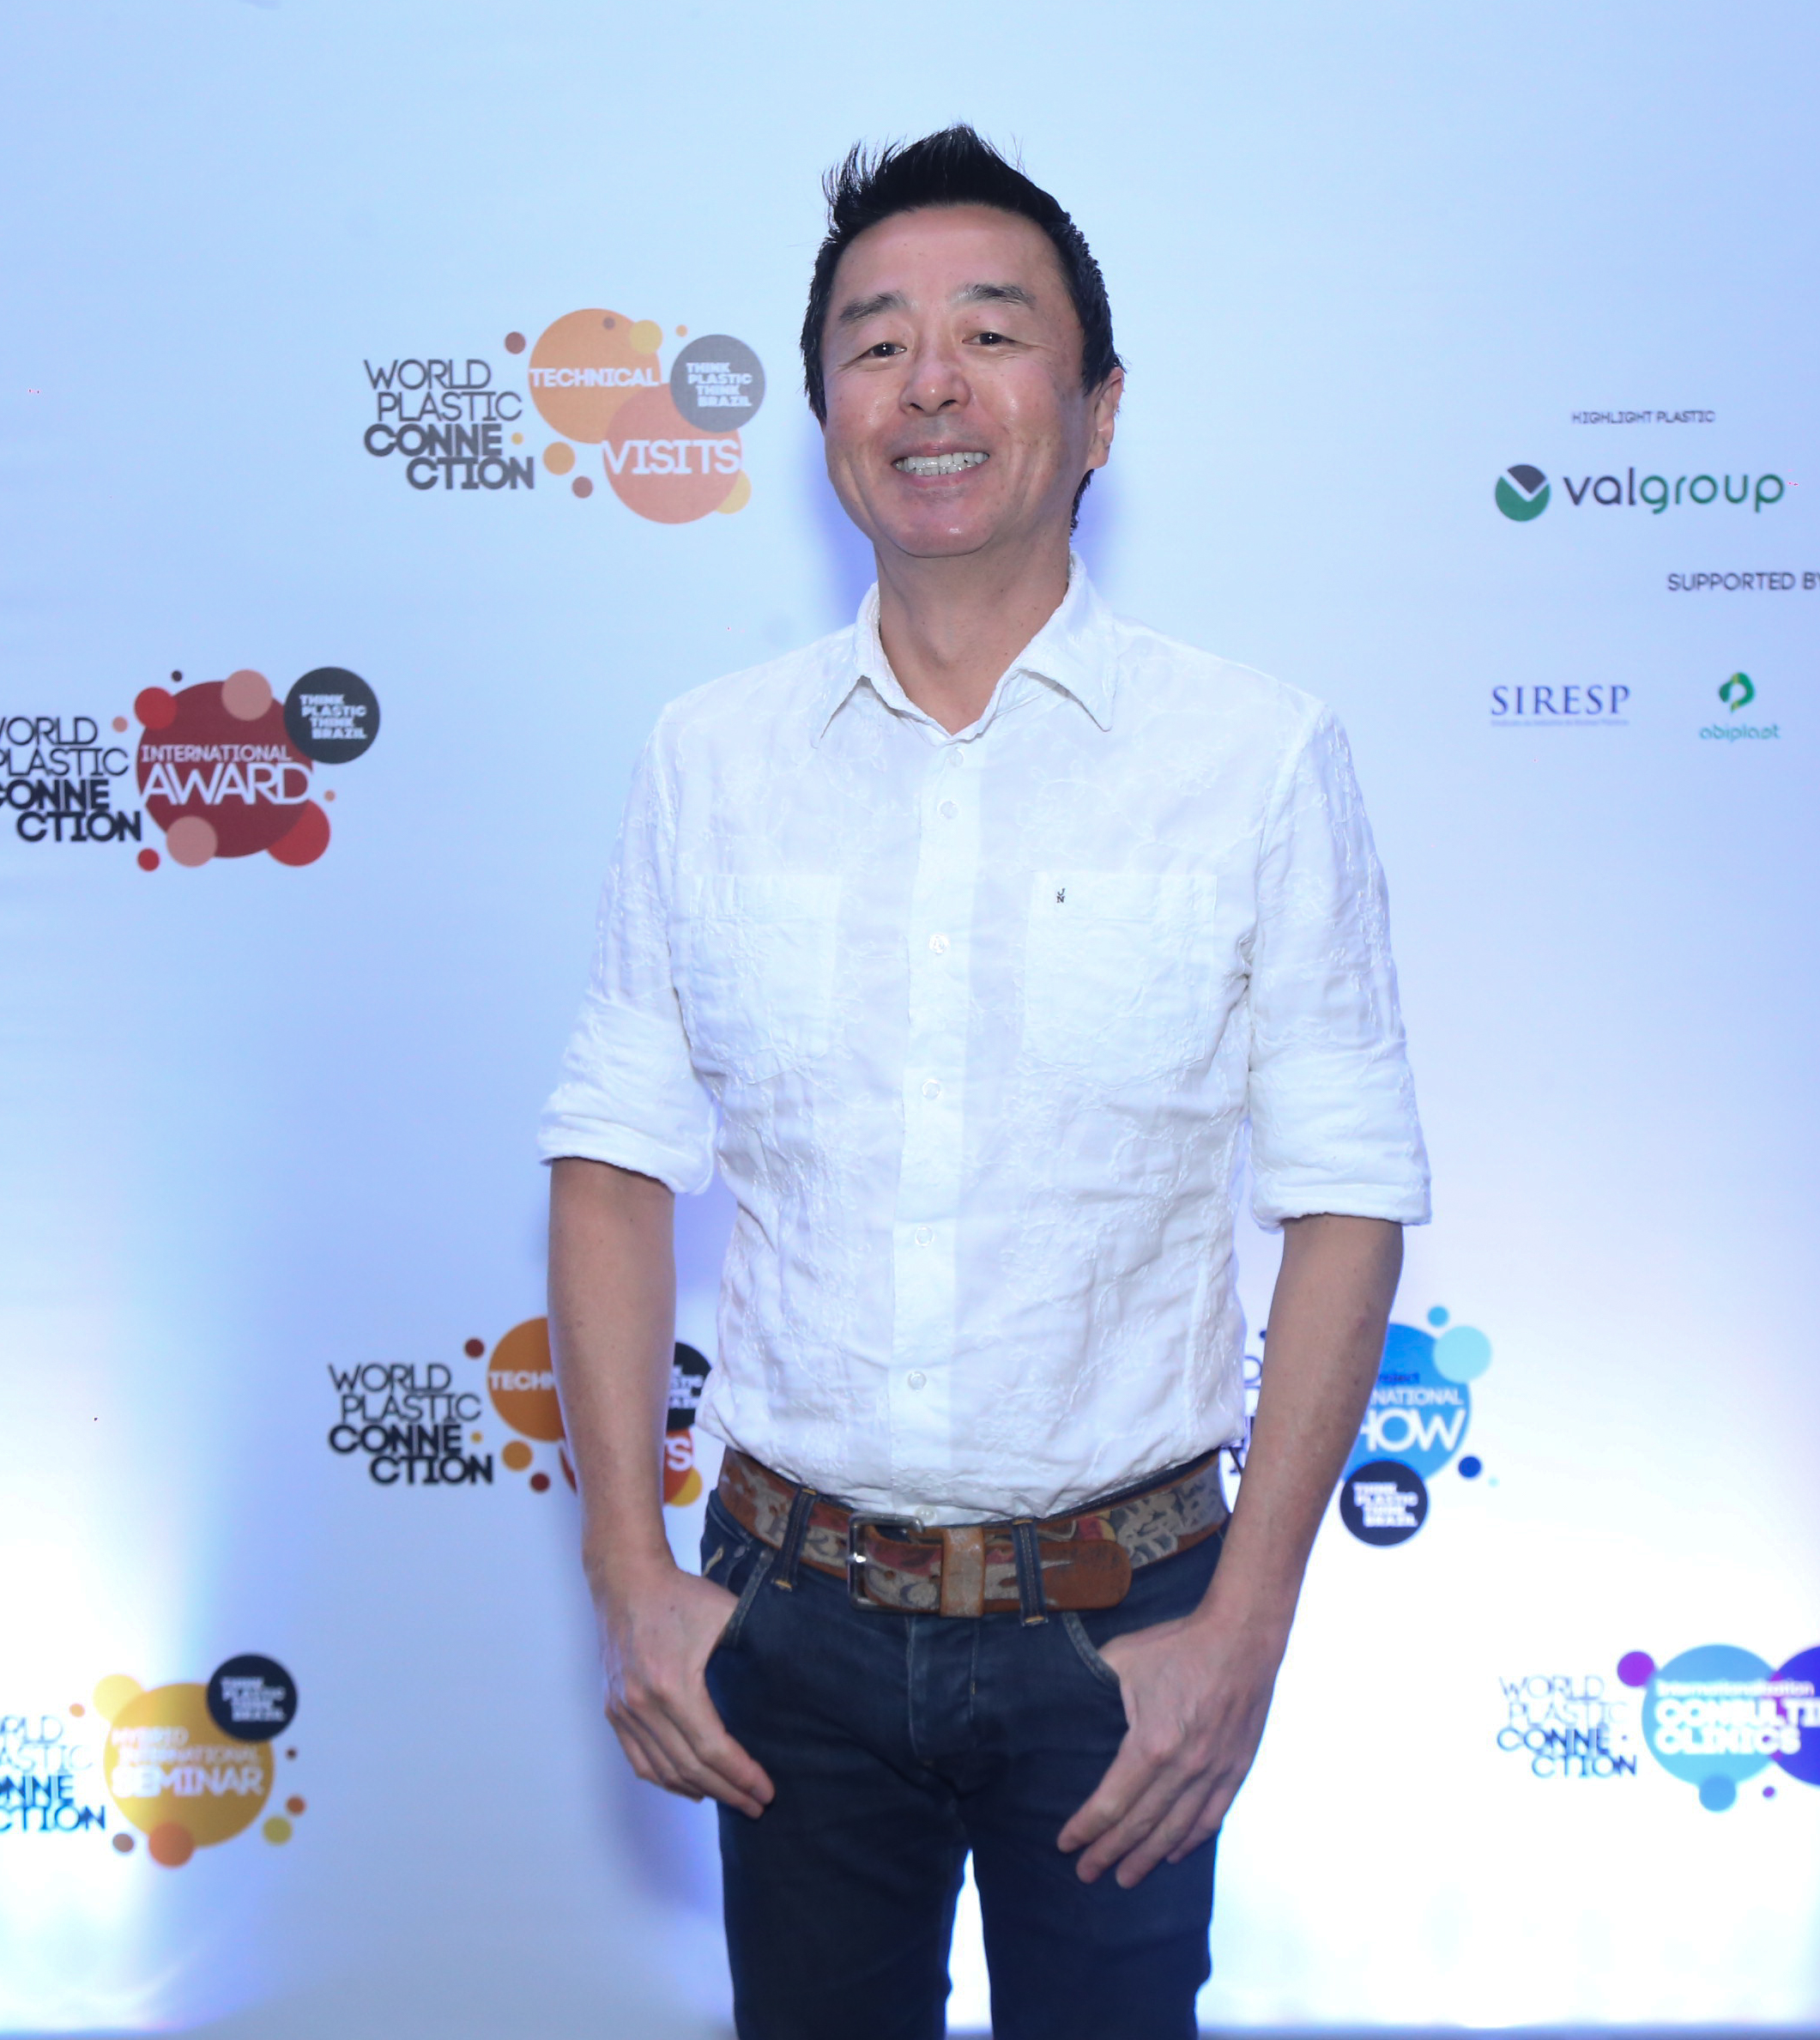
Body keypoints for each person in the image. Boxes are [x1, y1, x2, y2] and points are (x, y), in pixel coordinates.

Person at [538, 126, 1429, 2040]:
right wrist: (627, 1573)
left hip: (1129, 1643)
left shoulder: (1257, 757)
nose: (929, 383)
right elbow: (611, 1162)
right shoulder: (710, 759)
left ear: (1098, 412)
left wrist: (1246, 1629)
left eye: (991, 334)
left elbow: (1348, 1195)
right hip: (783, 1630)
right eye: (876, 343)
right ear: (825, 419)